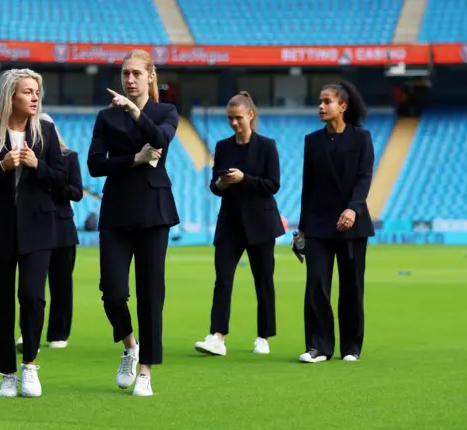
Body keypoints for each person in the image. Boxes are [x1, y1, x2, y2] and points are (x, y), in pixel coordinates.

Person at [0, 68, 67, 397]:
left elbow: (65, 183)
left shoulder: (46, 133)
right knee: (1, 303)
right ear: (10, 97)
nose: (35, 97)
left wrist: (39, 166)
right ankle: (7, 372)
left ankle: (30, 365)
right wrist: (1, 167)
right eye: (27, 92)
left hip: (38, 229)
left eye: (37, 91)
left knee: (33, 298)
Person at [87, 49, 179, 397]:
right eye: (125, 73)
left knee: (151, 294)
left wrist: (136, 112)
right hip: (117, 212)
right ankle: (130, 345)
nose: (130, 79)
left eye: (137, 73)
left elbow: (161, 139)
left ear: (150, 76)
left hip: (155, 211)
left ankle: (145, 370)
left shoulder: (166, 112)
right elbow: (95, 165)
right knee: (112, 292)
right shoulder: (105, 117)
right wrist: (133, 159)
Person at [193, 91, 285, 357]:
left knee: (263, 281)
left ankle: (264, 336)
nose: (234, 123)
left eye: (238, 118)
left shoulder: (267, 146)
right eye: (230, 118)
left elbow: (272, 184)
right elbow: (215, 185)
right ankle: (217, 336)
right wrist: (221, 183)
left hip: (261, 223)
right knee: (222, 280)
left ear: (251, 115)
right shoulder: (223, 147)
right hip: (230, 224)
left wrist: (244, 178)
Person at [296, 80, 375, 363]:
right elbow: (308, 186)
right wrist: (301, 228)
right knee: (316, 284)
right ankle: (318, 347)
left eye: (327, 101)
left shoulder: (361, 138)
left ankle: (351, 347)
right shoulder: (312, 140)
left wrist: (353, 209)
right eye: (320, 101)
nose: (321, 106)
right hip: (318, 224)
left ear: (343, 106)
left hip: (353, 224)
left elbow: (364, 177)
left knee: (352, 286)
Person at [15, 113, 83, 351]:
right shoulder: (21, 158)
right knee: (32, 284)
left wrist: (50, 181)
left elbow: (76, 192)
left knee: (62, 283)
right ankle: (28, 332)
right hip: (34, 226)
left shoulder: (69, 156)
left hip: (62, 227)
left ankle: (59, 333)